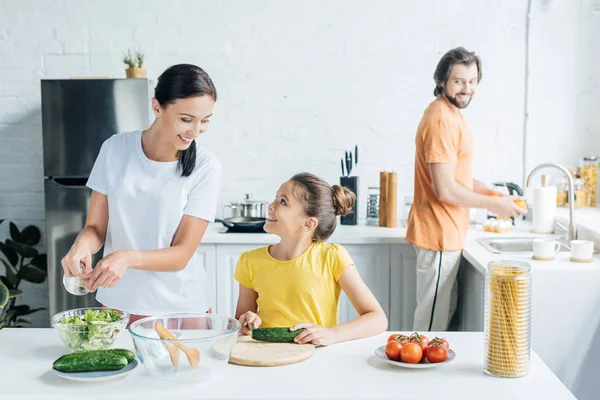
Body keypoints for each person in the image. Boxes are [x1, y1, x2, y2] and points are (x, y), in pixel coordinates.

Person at [61, 64, 221, 326]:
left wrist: (127, 257)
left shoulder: (206, 167)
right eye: (186, 119)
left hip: (181, 307)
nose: (195, 131)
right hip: (119, 304)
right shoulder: (115, 149)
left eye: (204, 121)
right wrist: (81, 246)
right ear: (157, 107)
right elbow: (95, 228)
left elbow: (181, 254)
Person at [406, 47, 527, 331]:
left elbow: (456, 176)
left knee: (440, 318)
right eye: (459, 81)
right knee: (430, 326)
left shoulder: (452, 115)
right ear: (442, 81)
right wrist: (495, 206)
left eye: (472, 82)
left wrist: (495, 195)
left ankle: (428, 373)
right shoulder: (441, 121)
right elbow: (446, 190)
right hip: (437, 233)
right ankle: (418, 376)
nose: (467, 89)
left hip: (447, 234)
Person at [234, 173, 388, 346]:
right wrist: (245, 322)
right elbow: (241, 325)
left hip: (316, 359)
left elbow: (377, 319)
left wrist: (332, 334)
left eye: (283, 201)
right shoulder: (249, 261)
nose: (270, 206)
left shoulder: (332, 257)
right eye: (275, 198)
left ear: (308, 224)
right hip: (266, 357)